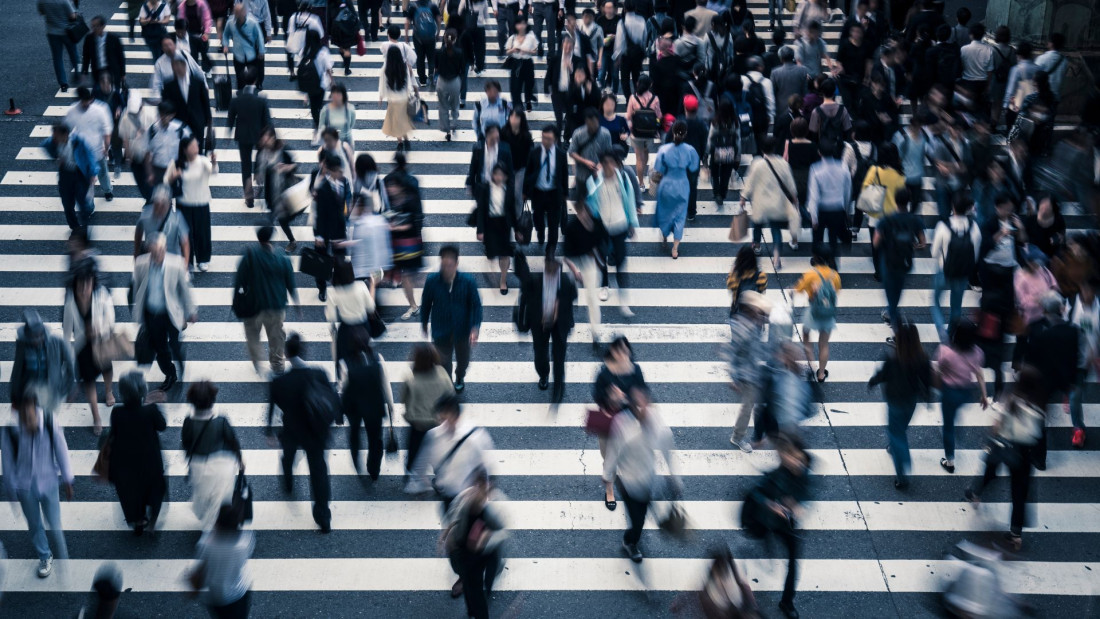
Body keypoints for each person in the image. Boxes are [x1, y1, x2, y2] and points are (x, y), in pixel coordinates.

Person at [406, 396, 495, 596]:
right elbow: (421, 464)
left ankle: (480, 573)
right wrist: (423, 484)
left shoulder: (475, 437)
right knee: (454, 547)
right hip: (449, 500)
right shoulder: (433, 436)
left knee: (475, 542)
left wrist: (484, 499)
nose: (443, 422)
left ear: (456, 415)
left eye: (447, 417)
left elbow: (486, 470)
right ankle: (465, 575)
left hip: (473, 501)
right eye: (441, 417)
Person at [964, 366, 1046, 551]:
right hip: (1024, 454)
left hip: (1005, 446)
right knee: (1020, 492)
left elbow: (997, 425)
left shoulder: (1013, 401)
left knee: (990, 471)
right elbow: (1040, 434)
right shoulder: (1040, 405)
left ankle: (975, 493)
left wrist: (992, 436)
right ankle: (1016, 534)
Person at [267, 333, 335, 533]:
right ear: (304, 351)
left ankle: (288, 483)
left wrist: (269, 431)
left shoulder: (279, 382)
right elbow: (330, 397)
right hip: (316, 431)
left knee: (287, 457)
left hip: (292, 430)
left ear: (286, 354)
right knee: (318, 473)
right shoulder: (319, 373)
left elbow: (272, 408)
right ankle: (323, 517)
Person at [1, 394, 73, 579]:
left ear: (35, 406)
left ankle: (62, 554)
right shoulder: (11, 432)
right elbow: (7, 466)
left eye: (30, 409)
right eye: (23, 411)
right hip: (25, 487)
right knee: (34, 524)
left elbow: (61, 450)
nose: (27, 416)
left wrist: (67, 479)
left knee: (54, 522)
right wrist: (12, 494)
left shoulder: (49, 422)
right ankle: (44, 555)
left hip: (48, 481)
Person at [603, 386, 677, 563]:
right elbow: (613, 451)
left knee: (643, 513)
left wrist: (675, 478)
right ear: (632, 407)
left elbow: (667, 449)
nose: (644, 409)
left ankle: (633, 536)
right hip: (628, 482)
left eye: (646, 404)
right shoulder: (622, 424)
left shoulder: (657, 424)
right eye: (639, 406)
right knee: (638, 520)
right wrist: (607, 475)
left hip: (648, 478)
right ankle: (630, 541)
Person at [742, 433, 811, 619]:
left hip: (789, 526)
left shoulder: (805, 473)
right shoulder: (776, 475)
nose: (793, 461)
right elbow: (755, 493)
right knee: (766, 547)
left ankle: (787, 602)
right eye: (788, 456)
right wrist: (772, 505)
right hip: (770, 522)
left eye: (795, 457)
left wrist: (799, 506)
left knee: (793, 564)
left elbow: (808, 492)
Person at [869, 322, 932, 489]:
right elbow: (928, 380)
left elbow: (882, 375)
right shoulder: (922, 358)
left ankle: (902, 475)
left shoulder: (894, 357)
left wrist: (872, 381)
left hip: (895, 400)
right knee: (901, 429)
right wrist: (928, 397)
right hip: (911, 400)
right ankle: (895, 448)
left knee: (896, 434)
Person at [132, 233, 196, 392]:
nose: (157, 256)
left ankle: (180, 360)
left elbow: (184, 290)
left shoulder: (176, 264)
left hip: (171, 313)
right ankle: (170, 373)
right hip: (152, 314)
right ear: (149, 251)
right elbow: (137, 286)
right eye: (154, 252)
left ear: (165, 248)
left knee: (174, 345)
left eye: (160, 251)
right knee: (160, 349)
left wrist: (190, 311)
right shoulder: (141, 264)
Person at [106, 371, 167, 535]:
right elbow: (162, 425)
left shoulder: (117, 413)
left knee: (132, 493)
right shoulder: (151, 411)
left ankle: (138, 521)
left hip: (126, 464)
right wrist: (151, 403)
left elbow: (115, 432)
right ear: (143, 391)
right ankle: (153, 523)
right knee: (155, 492)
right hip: (150, 462)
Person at [442, 470, 508, 619]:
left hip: (485, 552)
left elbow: (502, 531)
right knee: (471, 584)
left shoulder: (494, 507)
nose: (478, 490)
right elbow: (453, 516)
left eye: (483, 486)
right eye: (476, 485)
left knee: (478, 589)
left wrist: (486, 537)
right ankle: (472, 608)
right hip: (466, 551)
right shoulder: (464, 498)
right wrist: (446, 536)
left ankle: (484, 597)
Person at [235, 225, 299, 375]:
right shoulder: (282, 258)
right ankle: (277, 365)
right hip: (275, 307)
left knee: (252, 336)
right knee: (276, 337)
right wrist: (297, 304)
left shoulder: (249, 256)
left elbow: (240, 282)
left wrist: (238, 302)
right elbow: (290, 283)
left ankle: (257, 361)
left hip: (253, 307)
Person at [63, 263, 116, 436]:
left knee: (107, 369)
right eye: (81, 284)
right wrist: (67, 356)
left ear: (93, 283)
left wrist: (99, 330)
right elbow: (66, 329)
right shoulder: (70, 300)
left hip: (101, 341)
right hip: (83, 347)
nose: (84, 289)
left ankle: (108, 391)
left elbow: (110, 320)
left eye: (88, 284)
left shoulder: (101, 295)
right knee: (88, 381)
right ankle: (96, 417)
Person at [183, 380, 244, 529]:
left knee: (203, 495)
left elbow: (186, 444)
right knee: (221, 497)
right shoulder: (221, 421)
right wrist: (240, 459)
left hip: (199, 465)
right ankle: (219, 524)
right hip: (222, 465)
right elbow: (232, 441)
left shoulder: (189, 422)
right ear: (212, 400)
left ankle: (208, 523)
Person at [420, 245, 483, 392]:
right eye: (443, 264)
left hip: (462, 330)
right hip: (440, 330)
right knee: (443, 363)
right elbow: (426, 303)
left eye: (449, 265)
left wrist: (475, 327)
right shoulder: (432, 281)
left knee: (463, 361)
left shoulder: (467, 281)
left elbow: (476, 305)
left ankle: (460, 375)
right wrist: (423, 322)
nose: (446, 269)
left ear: (456, 264)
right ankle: (447, 384)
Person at [520, 249, 578, 403]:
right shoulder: (535, 281)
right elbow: (524, 300)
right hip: (539, 323)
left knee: (559, 358)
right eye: (549, 270)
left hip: (560, 325)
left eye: (555, 271)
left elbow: (573, 298)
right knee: (540, 353)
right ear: (545, 268)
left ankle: (558, 389)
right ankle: (544, 374)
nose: (552, 274)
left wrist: (567, 318)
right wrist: (523, 323)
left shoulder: (566, 282)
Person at [934, 319, 989, 473]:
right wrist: (984, 395)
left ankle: (949, 460)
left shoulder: (946, 352)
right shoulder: (977, 352)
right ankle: (957, 435)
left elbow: (939, 370)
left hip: (949, 392)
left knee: (948, 426)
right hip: (966, 392)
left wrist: (937, 386)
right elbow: (979, 373)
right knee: (953, 417)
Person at [339, 330, 395, 480]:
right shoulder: (378, 359)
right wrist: (390, 405)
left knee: (354, 433)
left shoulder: (345, 363)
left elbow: (343, 388)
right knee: (375, 439)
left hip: (354, 406)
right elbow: (386, 384)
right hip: (374, 405)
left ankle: (356, 459)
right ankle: (373, 468)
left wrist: (340, 410)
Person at [586, 151, 638, 313]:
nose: (609, 166)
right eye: (606, 162)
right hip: (602, 227)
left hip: (620, 225)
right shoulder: (594, 180)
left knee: (621, 261)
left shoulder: (622, 179)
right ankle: (604, 285)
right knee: (602, 257)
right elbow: (590, 203)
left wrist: (632, 224)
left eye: (612, 162)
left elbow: (629, 201)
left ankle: (623, 298)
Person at [930, 193, 982, 340]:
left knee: (935, 301)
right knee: (956, 307)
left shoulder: (943, 226)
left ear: (953, 207)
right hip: (963, 273)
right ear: (968, 209)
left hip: (944, 270)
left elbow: (934, 252)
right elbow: (975, 255)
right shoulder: (974, 228)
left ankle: (942, 333)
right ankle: (950, 333)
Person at [874, 188, 926, 332]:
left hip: (888, 262)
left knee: (891, 299)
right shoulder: (915, 220)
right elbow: (923, 242)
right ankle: (891, 312)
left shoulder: (886, 219)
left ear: (895, 200)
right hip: (905, 262)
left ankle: (898, 333)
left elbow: (876, 242)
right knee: (896, 293)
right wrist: (913, 245)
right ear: (908, 201)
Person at [726, 289, 771, 453]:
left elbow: (756, 347)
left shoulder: (754, 323)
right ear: (749, 309)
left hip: (754, 370)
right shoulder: (742, 328)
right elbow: (731, 353)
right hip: (746, 374)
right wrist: (734, 378)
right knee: (748, 406)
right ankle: (738, 437)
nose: (760, 313)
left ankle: (757, 434)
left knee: (755, 403)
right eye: (757, 309)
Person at [190, 505, 255, 617]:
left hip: (216, 596)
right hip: (238, 593)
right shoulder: (245, 542)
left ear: (218, 522)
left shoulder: (206, 543)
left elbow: (202, 566)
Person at [742, 136, 797, 268]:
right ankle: (777, 257)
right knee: (776, 229)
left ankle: (756, 245)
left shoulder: (757, 163)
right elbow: (790, 185)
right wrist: (795, 200)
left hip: (760, 203)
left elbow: (749, 182)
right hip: (776, 203)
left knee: (757, 225)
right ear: (775, 148)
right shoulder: (783, 164)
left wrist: (743, 198)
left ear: (762, 149)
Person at [10, 309, 75, 418]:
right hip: (30, 388)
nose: (38, 339)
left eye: (40, 335)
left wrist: (69, 388)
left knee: (49, 419)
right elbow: (17, 370)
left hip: (51, 387)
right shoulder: (23, 345)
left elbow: (71, 365)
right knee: (32, 420)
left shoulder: (57, 342)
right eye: (33, 336)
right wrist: (15, 396)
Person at [164, 135, 216, 272]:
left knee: (202, 233)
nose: (196, 148)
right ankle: (188, 260)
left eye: (197, 145)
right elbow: (165, 181)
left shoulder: (203, 161)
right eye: (193, 146)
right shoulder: (176, 163)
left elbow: (213, 171)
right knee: (186, 234)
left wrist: (214, 162)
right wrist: (173, 177)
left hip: (201, 203)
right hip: (183, 204)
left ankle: (203, 259)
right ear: (185, 149)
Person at [402, 344, 455, 472]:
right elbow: (451, 394)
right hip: (437, 421)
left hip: (418, 422)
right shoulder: (442, 373)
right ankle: (439, 472)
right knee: (438, 448)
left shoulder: (411, 378)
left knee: (414, 448)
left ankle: (411, 471)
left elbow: (403, 398)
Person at [653, 120, 700, 259]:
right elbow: (693, 167)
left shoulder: (664, 150)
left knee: (666, 212)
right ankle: (675, 249)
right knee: (680, 216)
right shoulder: (690, 150)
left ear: (672, 132)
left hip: (667, 184)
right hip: (682, 185)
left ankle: (665, 234)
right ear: (685, 134)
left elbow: (659, 168)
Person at [385, 160, 426, 320]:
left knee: (408, 276)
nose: (390, 189)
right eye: (389, 186)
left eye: (393, 186)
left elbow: (413, 222)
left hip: (410, 244)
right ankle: (413, 304)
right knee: (407, 276)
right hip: (399, 244)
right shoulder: (391, 200)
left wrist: (394, 227)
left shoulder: (410, 200)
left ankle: (414, 305)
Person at [227, 68, 272, 208]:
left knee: (245, 165)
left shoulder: (236, 100)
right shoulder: (261, 100)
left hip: (242, 136)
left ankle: (248, 194)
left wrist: (227, 135)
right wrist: (270, 136)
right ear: (256, 80)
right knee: (260, 159)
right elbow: (268, 121)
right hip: (259, 136)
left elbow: (230, 120)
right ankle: (258, 177)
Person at [794, 246, 840, 382]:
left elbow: (798, 288)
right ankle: (821, 374)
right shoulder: (835, 275)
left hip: (813, 312)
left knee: (806, 334)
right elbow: (835, 293)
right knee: (824, 344)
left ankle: (811, 363)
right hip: (828, 313)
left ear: (816, 258)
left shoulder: (810, 274)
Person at [41, 124, 98, 233]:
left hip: (79, 174)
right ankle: (74, 227)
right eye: (54, 136)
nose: (55, 138)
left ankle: (85, 227)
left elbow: (90, 156)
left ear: (66, 134)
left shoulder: (78, 141)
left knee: (83, 202)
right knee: (67, 204)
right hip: (65, 174)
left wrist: (93, 173)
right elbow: (44, 145)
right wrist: (56, 156)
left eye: (57, 136)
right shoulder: (53, 142)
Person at [326, 258, 376, 377]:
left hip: (347, 328)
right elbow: (371, 307)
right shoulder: (361, 286)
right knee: (368, 352)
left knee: (342, 357)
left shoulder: (333, 291)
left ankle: (341, 380)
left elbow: (331, 316)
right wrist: (373, 285)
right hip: (363, 325)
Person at [312, 152, 351, 302]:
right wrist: (319, 235)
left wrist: (346, 218)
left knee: (340, 260)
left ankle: (341, 285)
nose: (341, 173)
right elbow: (319, 214)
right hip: (324, 230)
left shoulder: (344, 182)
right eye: (338, 171)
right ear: (331, 170)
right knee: (321, 261)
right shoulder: (322, 188)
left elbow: (348, 199)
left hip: (339, 229)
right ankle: (321, 287)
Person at [523, 125, 569, 249]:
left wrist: (565, 193)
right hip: (538, 193)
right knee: (538, 218)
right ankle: (540, 232)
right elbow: (528, 172)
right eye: (543, 138)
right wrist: (525, 192)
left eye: (548, 139)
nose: (545, 141)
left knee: (554, 224)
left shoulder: (561, 155)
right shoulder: (534, 153)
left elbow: (564, 174)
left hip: (554, 193)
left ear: (555, 140)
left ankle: (551, 249)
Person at [807, 142, 852, 264]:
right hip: (837, 208)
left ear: (819, 153)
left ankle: (818, 262)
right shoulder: (843, 168)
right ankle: (833, 264)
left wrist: (814, 217)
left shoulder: (816, 169)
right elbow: (847, 191)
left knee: (817, 238)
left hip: (821, 209)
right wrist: (846, 209)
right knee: (833, 239)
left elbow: (813, 195)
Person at [474, 165, 517, 294]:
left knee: (505, 254)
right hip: (490, 225)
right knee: (491, 254)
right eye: (496, 174)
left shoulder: (509, 189)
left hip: (504, 225)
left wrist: (517, 229)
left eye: (501, 175)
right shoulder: (485, 188)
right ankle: (492, 273)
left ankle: (503, 280)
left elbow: (512, 211)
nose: (498, 177)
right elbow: (481, 210)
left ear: (506, 177)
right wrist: (480, 230)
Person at [161, 55, 212, 151]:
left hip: (197, 123)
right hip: (178, 124)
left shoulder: (198, 82)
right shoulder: (169, 85)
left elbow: (206, 103)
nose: (177, 69)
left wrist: (209, 124)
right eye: (174, 66)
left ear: (185, 65)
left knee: (198, 150)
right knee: (179, 151)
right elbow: (165, 105)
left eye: (178, 66)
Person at [569, 107, 613, 207]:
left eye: (594, 122)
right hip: (582, 175)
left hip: (599, 176)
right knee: (582, 200)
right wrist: (585, 162)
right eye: (589, 123)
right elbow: (572, 152)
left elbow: (609, 153)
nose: (592, 126)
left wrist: (600, 165)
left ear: (598, 120)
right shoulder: (578, 133)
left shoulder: (605, 134)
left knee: (599, 201)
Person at [625, 74, 662, 191]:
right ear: (650, 85)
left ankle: (641, 183)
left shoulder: (633, 98)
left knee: (638, 158)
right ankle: (644, 173)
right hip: (649, 133)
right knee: (646, 154)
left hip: (637, 133)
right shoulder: (655, 99)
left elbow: (628, 116)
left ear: (638, 84)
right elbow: (659, 116)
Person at [135, 185, 190, 261]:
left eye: (163, 205)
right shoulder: (145, 215)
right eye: (157, 205)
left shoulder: (177, 217)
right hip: (152, 257)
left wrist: (185, 264)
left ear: (168, 204)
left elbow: (185, 242)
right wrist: (136, 254)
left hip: (172, 259)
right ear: (153, 203)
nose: (160, 208)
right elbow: (138, 233)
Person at [222, 1, 267, 90]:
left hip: (251, 54)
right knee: (239, 77)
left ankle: (255, 87)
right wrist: (225, 45)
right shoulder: (230, 23)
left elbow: (259, 37)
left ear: (244, 12)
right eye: (236, 12)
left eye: (239, 13)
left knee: (253, 75)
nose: (237, 15)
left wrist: (261, 51)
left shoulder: (252, 23)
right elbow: (226, 35)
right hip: (238, 55)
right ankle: (241, 92)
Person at [39, 0, 81, 92]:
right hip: (67, 32)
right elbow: (72, 16)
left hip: (52, 32)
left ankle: (63, 83)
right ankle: (78, 75)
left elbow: (42, 12)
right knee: (74, 55)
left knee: (57, 58)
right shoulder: (64, 1)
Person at [381, 45, 415, 151]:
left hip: (392, 99)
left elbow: (383, 84)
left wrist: (381, 96)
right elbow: (408, 83)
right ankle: (406, 139)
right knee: (403, 120)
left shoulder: (386, 68)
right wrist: (411, 94)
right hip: (403, 98)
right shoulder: (404, 67)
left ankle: (400, 142)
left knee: (395, 122)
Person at [298, 30, 335, 126]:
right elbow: (328, 68)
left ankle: (317, 123)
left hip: (309, 83)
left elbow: (301, 67)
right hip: (321, 83)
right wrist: (332, 82)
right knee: (319, 104)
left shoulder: (304, 51)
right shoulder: (323, 52)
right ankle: (321, 123)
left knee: (313, 106)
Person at [81, 16, 127, 88]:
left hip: (113, 70)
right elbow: (86, 56)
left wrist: (123, 74)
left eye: (96, 26)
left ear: (103, 26)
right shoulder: (89, 38)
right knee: (98, 92)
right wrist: (84, 71)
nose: (93, 29)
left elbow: (121, 57)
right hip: (97, 70)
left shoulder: (114, 38)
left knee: (114, 92)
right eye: (92, 26)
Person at [501, 109, 534, 209]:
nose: (513, 119)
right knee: (504, 194)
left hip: (520, 169)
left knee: (518, 195)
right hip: (506, 169)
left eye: (516, 117)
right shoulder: (504, 133)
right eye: (512, 116)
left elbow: (530, 154)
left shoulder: (526, 136)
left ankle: (518, 219)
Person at [436, 29, 465, 141]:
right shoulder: (459, 53)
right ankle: (454, 122)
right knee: (455, 104)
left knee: (443, 106)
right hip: (454, 82)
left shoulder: (439, 52)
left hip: (442, 81)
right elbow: (462, 70)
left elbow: (436, 68)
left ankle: (446, 130)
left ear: (444, 38)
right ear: (455, 39)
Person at [505, 15, 538, 111]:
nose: (521, 26)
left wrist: (527, 52)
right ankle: (518, 106)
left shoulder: (531, 37)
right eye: (519, 24)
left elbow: (535, 51)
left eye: (523, 23)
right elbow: (507, 51)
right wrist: (513, 50)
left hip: (527, 63)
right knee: (516, 87)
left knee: (529, 84)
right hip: (516, 64)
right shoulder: (512, 37)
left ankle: (528, 100)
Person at [179, 0, 214, 73]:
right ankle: (195, 71)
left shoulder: (201, 4)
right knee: (193, 54)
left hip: (201, 33)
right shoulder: (182, 6)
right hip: (190, 34)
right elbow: (181, 20)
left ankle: (207, 69)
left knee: (204, 52)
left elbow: (207, 19)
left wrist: (206, 32)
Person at [1034, 33, 1067, 103]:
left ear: (1051, 44)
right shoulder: (1064, 61)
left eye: (1049, 41)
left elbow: (1034, 77)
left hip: (1041, 97)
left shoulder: (1042, 58)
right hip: (1055, 97)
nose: (1047, 42)